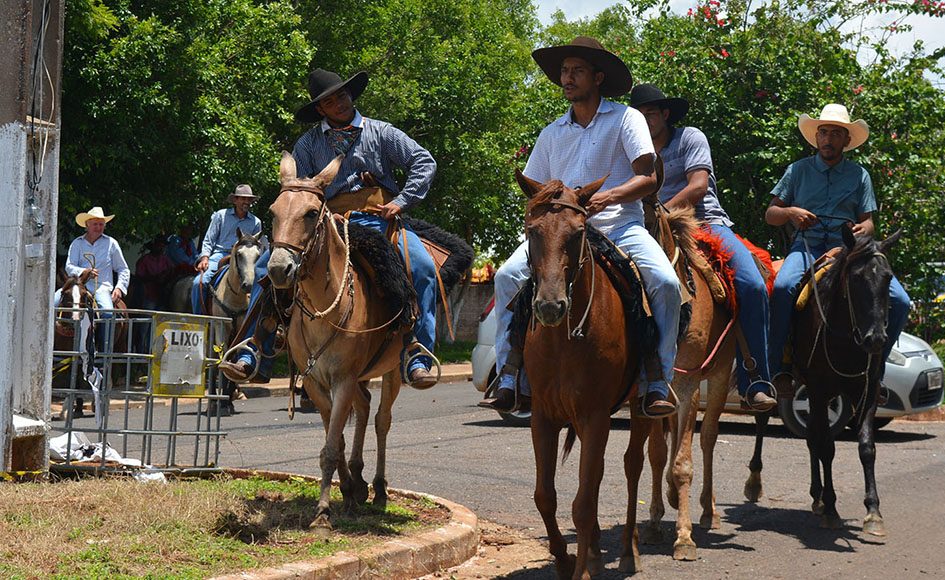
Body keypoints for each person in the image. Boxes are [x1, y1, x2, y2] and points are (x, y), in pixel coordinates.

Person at [479, 36, 681, 417]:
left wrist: (610, 196)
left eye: (577, 71)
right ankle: (510, 377)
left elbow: (649, 178)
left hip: (619, 227)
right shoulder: (551, 133)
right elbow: (536, 189)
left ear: (598, 77)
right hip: (561, 233)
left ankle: (657, 381)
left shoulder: (626, 119)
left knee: (666, 283)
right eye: (564, 71)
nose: (567, 78)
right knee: (506, 276)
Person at [219, 68, 440, 389]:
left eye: (342, 95)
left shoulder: (382, 132)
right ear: (320, 109)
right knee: (267, 266)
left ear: (351, 95)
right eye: (329, 101)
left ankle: (417, 354)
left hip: (379, 220)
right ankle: (253, 348)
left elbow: (424, 162)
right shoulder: (308, 144)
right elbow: (296, 190)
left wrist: (401, 201)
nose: (339, 103)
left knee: (422, 268)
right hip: (326, 224)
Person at [630, 83, 777, 411]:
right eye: (638, 116)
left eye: (650, 114)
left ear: (665, 114)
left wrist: (662, 212)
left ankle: (755, 379)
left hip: (705, 224)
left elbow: (697, 187)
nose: (645, 121)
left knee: (752, 284)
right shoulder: (631, 148)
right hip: (647, 229)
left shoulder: (690, 138)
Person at [765, 103, 911, 393]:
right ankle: (778, 368)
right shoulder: (797, 170)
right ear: (816, 137)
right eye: (823, 133)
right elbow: (771, 214)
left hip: (848, 249)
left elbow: (868, 222)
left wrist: (862, 230)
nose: (828, 139)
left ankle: (876, 370)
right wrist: (791, 212)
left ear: (846, 140)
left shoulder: (860, 175)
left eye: (835, 134)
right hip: (807, 245)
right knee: (783, 287)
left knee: (901, 302)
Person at [64, 207, 131, 348]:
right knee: (54, 302)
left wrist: (119, 288)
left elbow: (123, 269)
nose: (99, 227)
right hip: (78, 287)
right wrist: (85, 272)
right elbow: (69, 267)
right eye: (95, 224)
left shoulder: (111, 243)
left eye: (101, 224)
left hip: (101, 288)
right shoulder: (77, 243)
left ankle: (103, 351)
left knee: (107, 313)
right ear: (87, 224)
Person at [191, 185, 262, 314]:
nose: (247, 202)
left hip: (245, 258)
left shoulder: (256, 222)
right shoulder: (221, 215)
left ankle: (253, 321)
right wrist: (205, 258)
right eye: (243, 199)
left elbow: (257, 247)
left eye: (249, 199)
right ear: (235, 200)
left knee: (261, 286)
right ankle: (199, 318)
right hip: (220, 254)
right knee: (199, 283)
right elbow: (209, 239)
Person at [135, 235, 174, 311]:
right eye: (159, 246)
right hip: (148, 295)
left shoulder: (166, 260)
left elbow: (171, 272)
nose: (161, 248)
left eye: (163, 246)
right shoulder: (144, 260)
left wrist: (165, 278)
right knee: (148, 315)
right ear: (153, 246)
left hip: (163, 297)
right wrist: (154, 278)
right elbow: (139, 277)